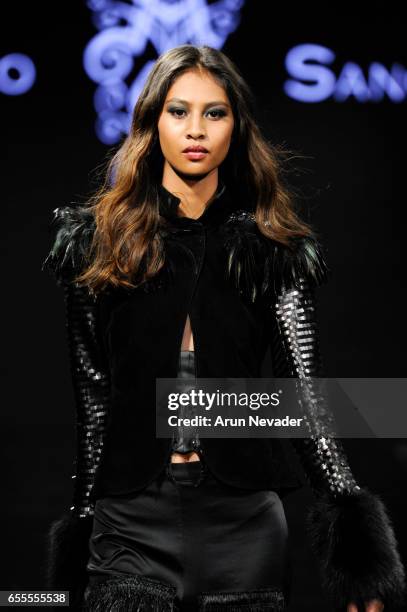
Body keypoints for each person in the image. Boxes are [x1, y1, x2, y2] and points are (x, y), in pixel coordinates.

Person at [42, 45, 405, 612]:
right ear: (150, 121)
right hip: (130, 523)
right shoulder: (99, 246)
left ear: (237, 126)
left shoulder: (270, 252)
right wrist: (79, 534)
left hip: (243, 521)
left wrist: (358, 555)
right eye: (178, 110)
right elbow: (95, 404)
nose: (196, 130)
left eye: (215, 113)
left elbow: (303, 395)